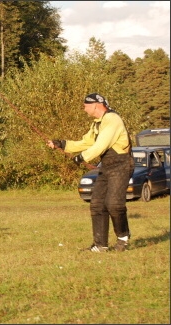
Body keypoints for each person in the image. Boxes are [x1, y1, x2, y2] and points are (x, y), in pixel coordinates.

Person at [46, 93, 133, 253]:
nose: (84, 109)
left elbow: (101, 145)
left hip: (121, 165)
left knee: (114, 204)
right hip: (106, 166)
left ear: (95, 105)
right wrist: (62, 144)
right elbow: (86, 142)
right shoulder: (97, 124)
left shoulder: (112, 120)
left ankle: (123, 237)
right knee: (97, 204)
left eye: (85, 105)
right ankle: (100, 245)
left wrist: (81, 158)